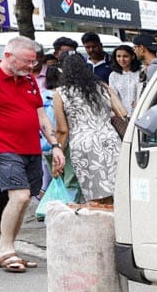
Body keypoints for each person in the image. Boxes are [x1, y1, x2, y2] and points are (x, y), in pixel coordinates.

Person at [0, 36, 65, 272]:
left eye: (33, 62)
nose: (31, 67)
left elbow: (41, 116)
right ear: (9, 56)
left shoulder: (28, 80)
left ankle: (5, 249)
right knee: (19, 196)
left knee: (24, 199)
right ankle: (6, 249)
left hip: (30, 148)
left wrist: (55, 145)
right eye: (27, 61)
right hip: (1, 148)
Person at [52, 53, 127, 204]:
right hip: (110, 140)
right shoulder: (102, 87)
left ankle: (102, 222)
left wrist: (57, 156)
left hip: (83, 145)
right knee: (118, 187)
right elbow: (122, 112)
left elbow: (62, 130)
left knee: (95, 193)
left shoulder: (61, 93)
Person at [108, 44, 142, 114]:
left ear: (132, 56)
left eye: (125, 56)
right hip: (123, 115)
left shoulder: (141, 72)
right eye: (118, 56)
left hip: (140, 111)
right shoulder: (113, 76)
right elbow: (114, 98)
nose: (122, 59)